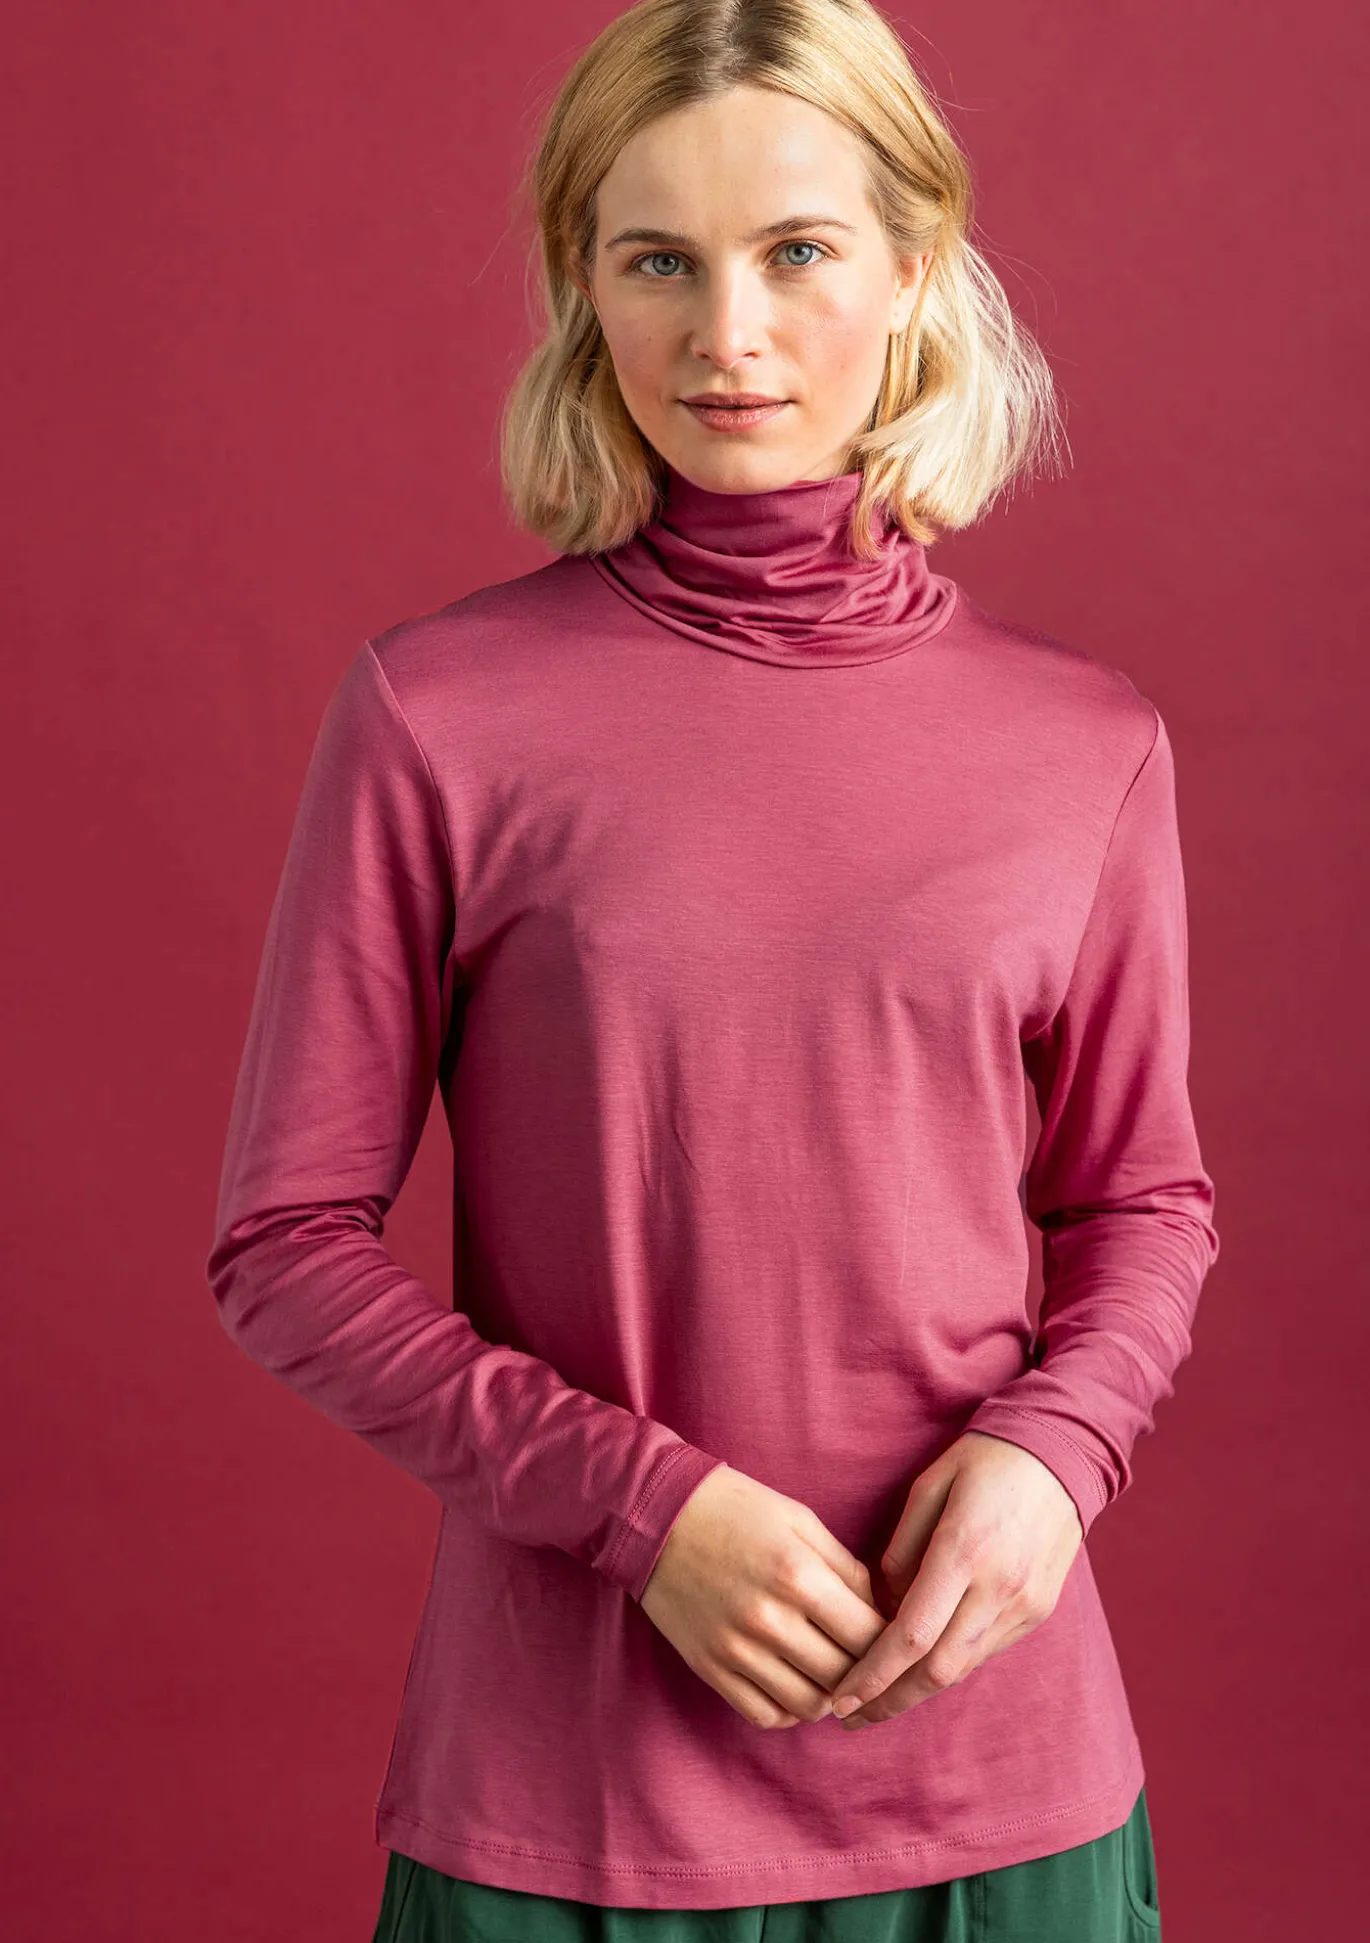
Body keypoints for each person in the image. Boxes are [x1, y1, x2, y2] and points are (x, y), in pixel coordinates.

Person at [205, 1, 1218, 1936]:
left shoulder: (1085, 746)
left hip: (1003, 1790)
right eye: (655, 260)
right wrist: (641, 1507)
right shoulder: (440, 715)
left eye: (797, 250)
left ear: (913, 264)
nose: (725, 332)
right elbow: (285, 1242)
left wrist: (1055, 1454)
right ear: (583, 288)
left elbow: (1140, 1200)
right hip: (566, 1798)